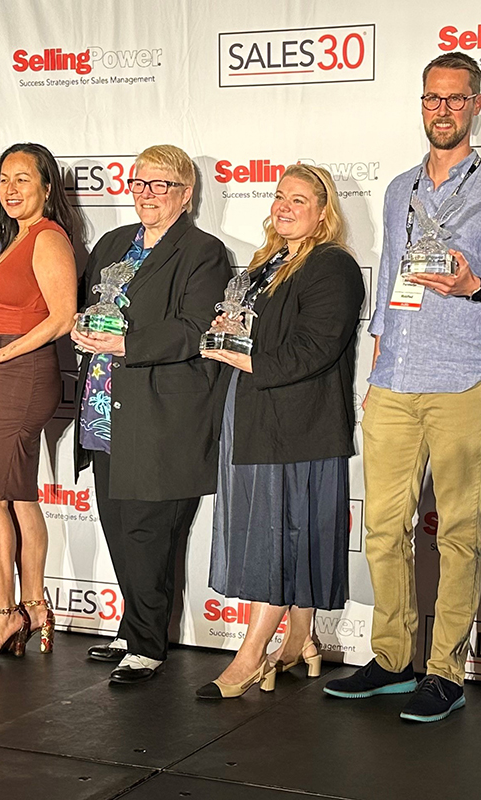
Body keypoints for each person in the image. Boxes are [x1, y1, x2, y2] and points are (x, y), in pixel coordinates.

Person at [322, 51, 481, 723]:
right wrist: (376, 364)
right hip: (393, 381)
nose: (441, 109)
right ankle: (391, 658)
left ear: (476, 106)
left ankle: (444, 671)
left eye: (455, 99)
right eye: (431, 99)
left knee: (459, 534)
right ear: (422, 105)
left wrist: (475, 284)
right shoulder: (398, 189)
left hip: (460, 383)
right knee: (383, 529)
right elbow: (390, 278)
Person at [195, 164, 364, 699]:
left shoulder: (332, 266)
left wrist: (242, 359)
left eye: (299, 199)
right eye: (279, 196)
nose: (284, 206)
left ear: (322, 212)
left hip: (298, 427)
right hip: (256, 418)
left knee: (283, 539)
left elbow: (317, 349)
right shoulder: (268, 265)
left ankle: (249, 656)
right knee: (282, 534)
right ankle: (300, 642)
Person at [70, 144, 230, 684]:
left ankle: (148, 643)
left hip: (161, 415)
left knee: (149, 531)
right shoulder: (114, 243)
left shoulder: (203, 253)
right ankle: (135, 627)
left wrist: (124, 344)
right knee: (119, 526)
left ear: (186, 194)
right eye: (139, 183)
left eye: (160, 185)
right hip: (103, 409)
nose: (146, 194)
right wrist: (81, 330)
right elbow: (91, 306)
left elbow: (195, 329)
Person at [0, 143, 78, 662]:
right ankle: (34, 606)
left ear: (47, 188)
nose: (10, 189)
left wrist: (4, 355)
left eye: (22, 179)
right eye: (4, 179)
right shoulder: (14, 240)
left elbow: (62, 317)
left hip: (18, 377)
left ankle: (3, 616)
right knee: (19, 496)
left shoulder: (47, 238)